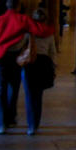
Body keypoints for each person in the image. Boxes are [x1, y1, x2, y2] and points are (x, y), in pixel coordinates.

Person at [0, 0, 30, 134]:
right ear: (19, 6)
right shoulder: (23, 20)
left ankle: (1, 124)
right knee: (14, 88)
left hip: (0, 59)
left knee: (0, 91)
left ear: (7, 5)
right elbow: (28, 37)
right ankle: (11, 118)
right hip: (15, 58)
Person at [21, 8, 57, 136]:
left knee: (29, 95)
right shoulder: (50, 33)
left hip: (31, 63)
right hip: (44, 63)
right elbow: (52, 52)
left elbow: (22, 47)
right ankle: (36, 123)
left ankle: (30, 126)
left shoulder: (28, 32)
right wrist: (53, 67)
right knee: (38, 95)